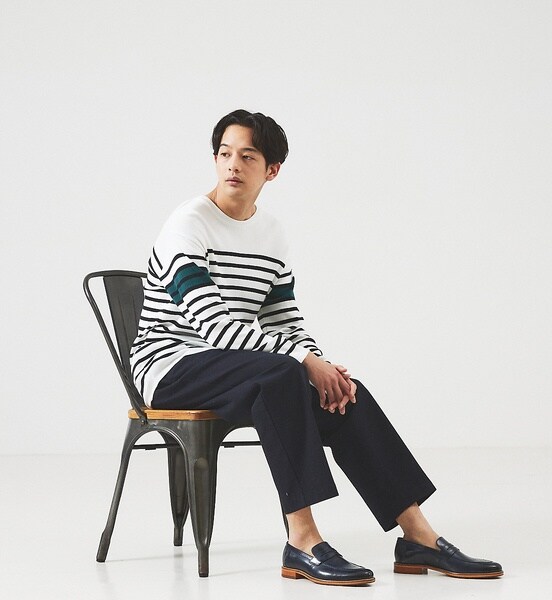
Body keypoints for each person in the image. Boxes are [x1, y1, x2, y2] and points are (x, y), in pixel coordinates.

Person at [130, 109, 503, 586]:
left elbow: (283, 319)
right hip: (170, 367)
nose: (233, 165)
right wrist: (304, 363)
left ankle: (417, 536)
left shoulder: (271, 235)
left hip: (239, 369)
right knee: (283, 373)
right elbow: (214, 326)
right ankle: (303, 539)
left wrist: (322, 367)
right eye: (224, 154)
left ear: (272, 170)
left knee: (347, 394)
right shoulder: (188, 224)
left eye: (247, 156)